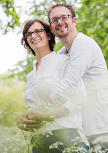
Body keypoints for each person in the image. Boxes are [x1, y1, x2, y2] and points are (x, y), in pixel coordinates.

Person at [45, 3, 108, 152]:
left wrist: (40, 112)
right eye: (54, 20)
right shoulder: (63, 54)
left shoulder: (83, 44)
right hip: (82, 132)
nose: (59, 22)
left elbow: (66, 88)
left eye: (64, 17)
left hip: (103, 129)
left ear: (74, 21)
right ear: (51, 27)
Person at [17, 19, 89, 153]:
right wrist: (24, 120)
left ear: (49, 35)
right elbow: (35, 107)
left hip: (67, 136)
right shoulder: (30, 76)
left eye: (38, 31)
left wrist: (47, 116)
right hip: (39, 141)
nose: (33, 36)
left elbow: (80, 100)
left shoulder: (65, 62)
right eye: (28, 34)